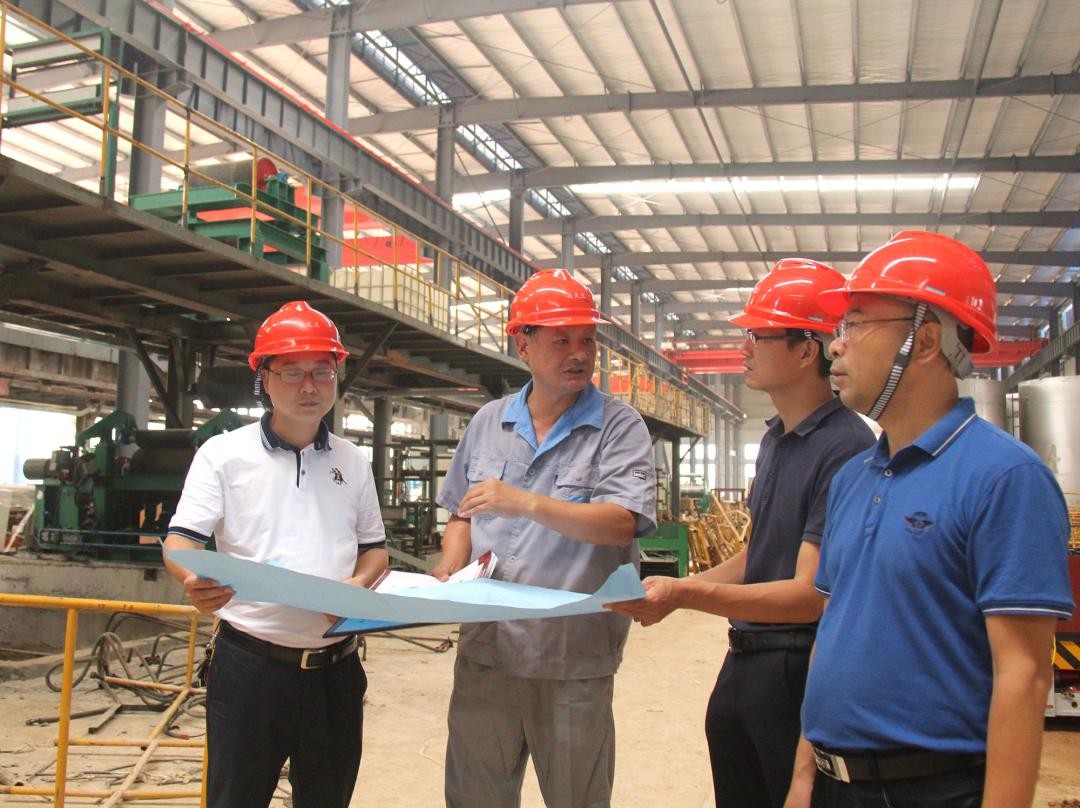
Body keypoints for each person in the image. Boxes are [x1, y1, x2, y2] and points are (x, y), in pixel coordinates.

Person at [784, 231, 1075, 808]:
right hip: (834, 784)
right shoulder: (852, 479)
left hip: (932, 789)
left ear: (924, 341)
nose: (834, 347)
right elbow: (832, 632)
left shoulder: (1004, 478)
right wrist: (802, 777)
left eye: (855, 324)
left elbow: (1023, 675)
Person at [608, 259, 875, 807]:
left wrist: (684, 594)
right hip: (744, 660)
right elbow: (757, 556)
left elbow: (809, 595)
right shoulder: (776, 439)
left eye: (758, 335)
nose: (744, 347)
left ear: (807, 351)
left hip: (797, 668)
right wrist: (676, 590)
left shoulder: (845, 448)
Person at [431, 268, 657, 808]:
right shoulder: (488, 422)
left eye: (587, 340)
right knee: (475, 798)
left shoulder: (619, 426)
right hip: (487, 652)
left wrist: (525, 502)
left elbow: (621, 521)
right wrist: (449, 567)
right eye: (562, 340)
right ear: (523, 344)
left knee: (576, 798)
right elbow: (461, 513)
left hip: (570, 657)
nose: (579, 353)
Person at [162, 300, 388, 808]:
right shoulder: (223, 455)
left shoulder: (353, 461)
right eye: (292, 372)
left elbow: (375, 550)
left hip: (336, 669)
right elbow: (181, 541)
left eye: (322, 372)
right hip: (251, 668)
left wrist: (356, 587)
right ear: (263, 377)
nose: (310, 387)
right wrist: (190, 580)